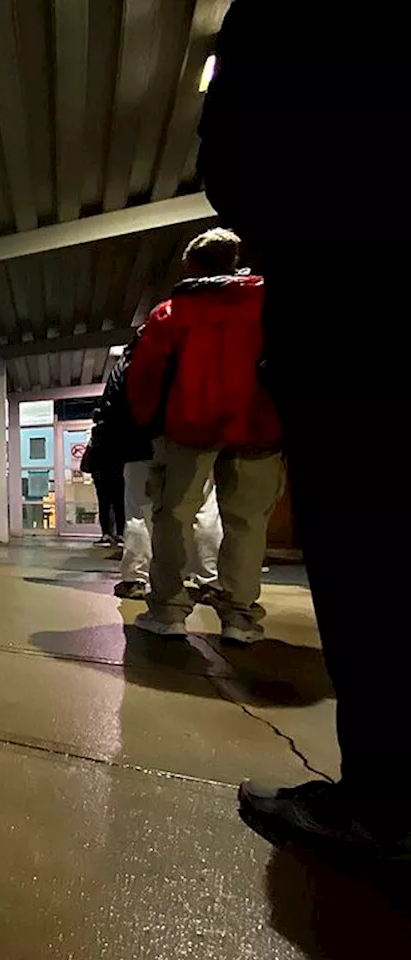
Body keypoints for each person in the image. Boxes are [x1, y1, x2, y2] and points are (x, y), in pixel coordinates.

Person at [197, 0, 409, 860]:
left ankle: (388, 802)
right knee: (247, 523)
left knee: (368, 562)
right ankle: (239, 610)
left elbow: (235, 153)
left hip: (347, 324)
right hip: (266, 413)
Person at [126, 228, 283, 644]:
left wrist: (148, 427)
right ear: (236, 261)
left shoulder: (171, 314)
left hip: (188, 428)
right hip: (259, 428)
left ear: (191, 265)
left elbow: (145, 379)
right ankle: (239, 617)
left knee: (173, 516)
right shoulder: (267, 304)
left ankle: (169, 610)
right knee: (247, 522)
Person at [95, 331, 223, 601]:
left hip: (139, 446)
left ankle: (135, 579)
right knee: (203, 508)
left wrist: (108, 448)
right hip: (191, 442)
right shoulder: (194, 354)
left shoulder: (129, 362)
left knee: (139, 511)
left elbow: (109, 407)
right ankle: (209, 581)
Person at [77, 430, 123, 546]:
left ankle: (106, 534)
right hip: (117, 477)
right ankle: (120, 534)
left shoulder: (96, 438)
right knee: (119, 506)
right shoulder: (118, 436)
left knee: (104, 506)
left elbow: (90, 457)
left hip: (101, 478)